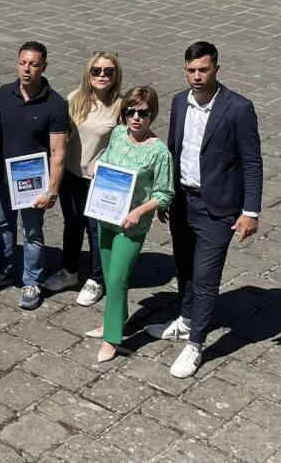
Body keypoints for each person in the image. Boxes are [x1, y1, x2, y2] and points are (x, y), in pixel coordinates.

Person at [144, 41, 262, 379]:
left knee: (207, 279)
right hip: (182, 201)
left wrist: (250, 211)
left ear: (216, 70)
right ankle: (185, 320)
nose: (197, 76)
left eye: (203, 70)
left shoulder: (238, 108)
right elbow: (173, 148)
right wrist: (163, 194)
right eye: (191, 70)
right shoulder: (179, 102)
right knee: (185, 268)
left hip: (218, 208)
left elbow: (252, 162)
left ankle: (195, 344)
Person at [0, 42, 68, 310]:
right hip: (2, 177)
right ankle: (3, 270)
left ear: (44, 67)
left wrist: (51, 191)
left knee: (32, 232)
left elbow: (58, 153)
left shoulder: (56, 105)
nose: (27, 69)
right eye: (23, 63)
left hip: (33, 183)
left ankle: (32, 281)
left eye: (34, 64)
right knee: (3, 227)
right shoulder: (4, 94)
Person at [86, 86, 174, 363]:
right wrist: (95, 166)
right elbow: (109, 160)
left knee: (116, 278)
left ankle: (112, 339)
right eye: (130, 111)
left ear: (153, 114)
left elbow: (165, 192)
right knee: (112, 276)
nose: (136, 118)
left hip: (131, 225)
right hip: (106, 215)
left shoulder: (160, 152)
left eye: (143, 113)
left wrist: (141, 210)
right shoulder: (118, 134)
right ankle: (116, 318)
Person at [43, 52, 123, 306]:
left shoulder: (121, 106)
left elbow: (128, 143)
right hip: (70, 174)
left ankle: (96, 278)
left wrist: (106, 160)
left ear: (116, 75)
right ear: (88, 74)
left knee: (96, 230)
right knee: (73, 223)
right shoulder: (74, 99)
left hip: (100, 179)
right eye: (96, 71)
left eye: (108, 71)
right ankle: (69, 270)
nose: (102, 75)